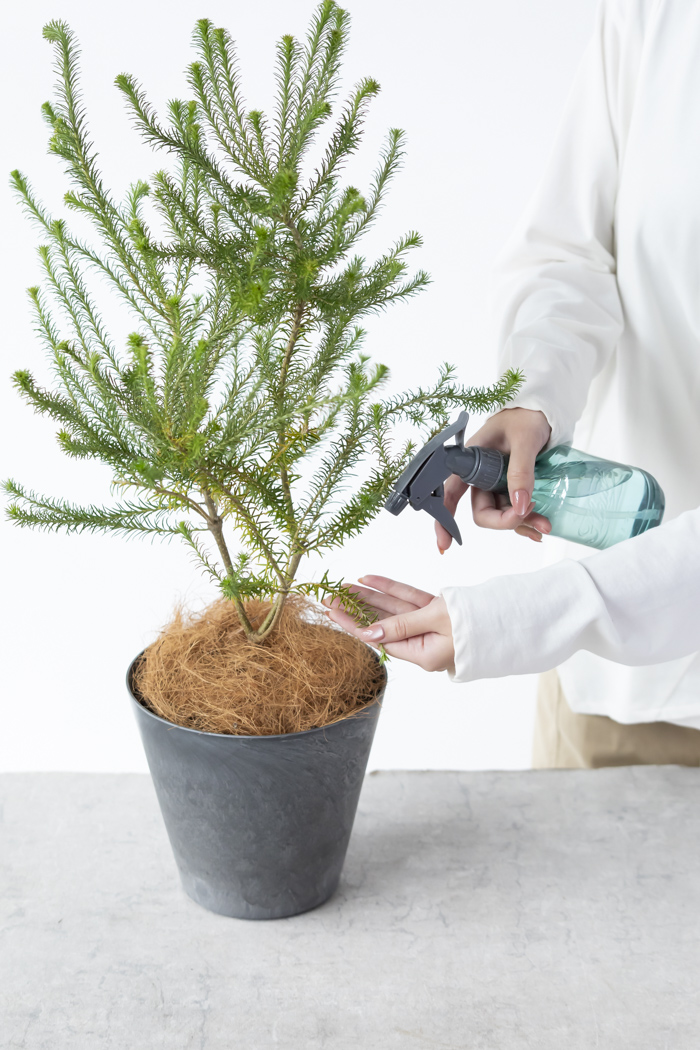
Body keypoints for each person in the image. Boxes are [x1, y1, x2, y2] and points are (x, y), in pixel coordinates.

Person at [324, 0, 700, 768]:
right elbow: (569, 254)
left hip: (582, 616)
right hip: (620, 696)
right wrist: (534, 396)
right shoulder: (658, 18)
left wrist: (517, 620)